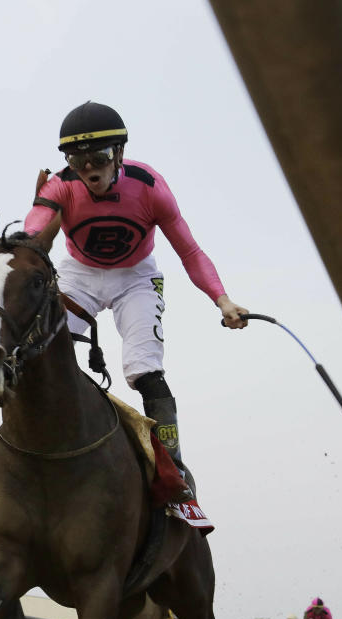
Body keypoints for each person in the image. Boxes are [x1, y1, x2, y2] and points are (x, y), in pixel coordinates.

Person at [24, 101, 250, 502]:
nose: (89, 169)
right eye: (78, 161)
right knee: (38, 353)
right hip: (80, 275)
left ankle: (173, 470)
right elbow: (34, 228)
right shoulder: (60, 184)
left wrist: (223, 299)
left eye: (99, 157)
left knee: (145, 370)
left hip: (136, 277)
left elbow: (190, 252)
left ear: (120, 155)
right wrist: (31, 231)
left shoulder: (149, 186)